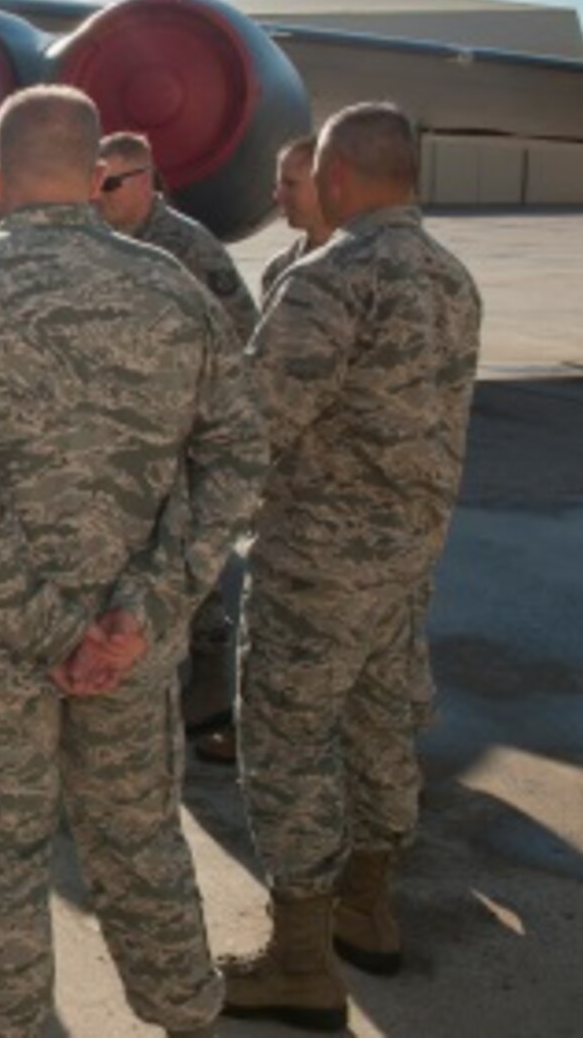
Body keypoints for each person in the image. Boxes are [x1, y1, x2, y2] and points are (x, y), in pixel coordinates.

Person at [0, 86, 266, 1038]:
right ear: (98, 175)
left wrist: (48, 630)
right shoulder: (173, 288)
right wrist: (143, 610)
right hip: (130, 653)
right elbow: (238, 455)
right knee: (142, 848)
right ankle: (189, 1017)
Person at [221, 103, 481, 1031]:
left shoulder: (332, 279)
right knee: (379, 730)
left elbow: (254, 424)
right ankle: (369, 907)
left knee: (288, 745)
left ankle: (298, 963)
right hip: (407, 561)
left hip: (317, 569)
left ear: (336, 179)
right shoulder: (453, 279)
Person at [94, 130, 261, 738]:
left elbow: (241, 336)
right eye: (95, 181)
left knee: (194, 569)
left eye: (111, 182)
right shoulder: (105, 246)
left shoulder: (188, 248)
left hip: (180, 441)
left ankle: (213, 688)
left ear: (147, 180)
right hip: (123, 447)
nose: (100, 194)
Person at [194, 133, 334, 768]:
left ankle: (355, 774)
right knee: (274, 637)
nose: (276, 197)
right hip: (285, 497)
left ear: (334, 183)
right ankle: (256, 733)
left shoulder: (358, 275)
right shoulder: (286, 268)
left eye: (291, 184)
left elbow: (270, 399)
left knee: (344, 646)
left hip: (337, 498)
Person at [260, 135, 334, 303]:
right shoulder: (278, 269)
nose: (277, 195)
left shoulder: (370, 263)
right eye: (279, 185)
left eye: (291, 184)